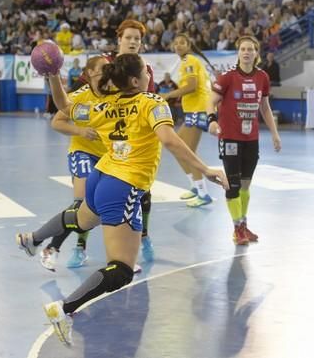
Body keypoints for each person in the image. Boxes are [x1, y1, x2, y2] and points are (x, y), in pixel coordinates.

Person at [18, 54, 228, 345]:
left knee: (82, 219)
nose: (149, 73)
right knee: (122, 268)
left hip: (99, 177)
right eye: (145, 70)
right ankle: (63, 310)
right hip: (124, 186)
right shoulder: (151, 103)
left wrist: (53, 75)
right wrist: (205, 169)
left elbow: (64, 107)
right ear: (134, 80)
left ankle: (34, 238)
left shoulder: (105, 103)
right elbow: (168, 140)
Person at [41, 20, 159, 266]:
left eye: (137, 38)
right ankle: (72, 246)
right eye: (129, 37)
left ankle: (138, 241)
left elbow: (147, 103)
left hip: (129, 148)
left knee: (140, 197)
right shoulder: (105, 66)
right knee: (87, 205)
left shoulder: (144, 69)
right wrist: (82, 126)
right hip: (101, 146)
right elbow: (73, 106)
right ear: (119, 40)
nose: (133, 42)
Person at [206, 36, 281, 245]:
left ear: (256, 53)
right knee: (233, 185)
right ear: (238, 53)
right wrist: (211, 120)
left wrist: (275, 134)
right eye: (243, 49)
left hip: (251, 138)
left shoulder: (262, 77)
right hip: (230, 137)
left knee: (246, 186)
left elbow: (264, 107)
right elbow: (211, 101)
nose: (246, 52)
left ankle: (243, 226)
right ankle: (237, 228)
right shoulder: (228, 77)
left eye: (250, 49)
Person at [38, 56, 107, 271]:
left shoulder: (116, 95)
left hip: (108, 158)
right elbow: (57, 121)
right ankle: (51, 247)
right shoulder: (79, 97)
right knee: (82, 203)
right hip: (83, 152)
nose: (108, 72)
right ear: (90, 73)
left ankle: (110, 255)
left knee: (96, 209)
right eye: (103, 68)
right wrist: (80, 131)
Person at [161, 33, 214, 207]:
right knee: (175, 147)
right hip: (193, 110)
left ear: (188, 45)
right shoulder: (186, 62)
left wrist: (169, 94)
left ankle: (203, 193)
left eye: (182, 43)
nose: (178, 45)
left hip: (198, 110)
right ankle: (194, 186)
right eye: (175, 43)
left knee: (188, 152)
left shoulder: (190, 60)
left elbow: (191, 87)